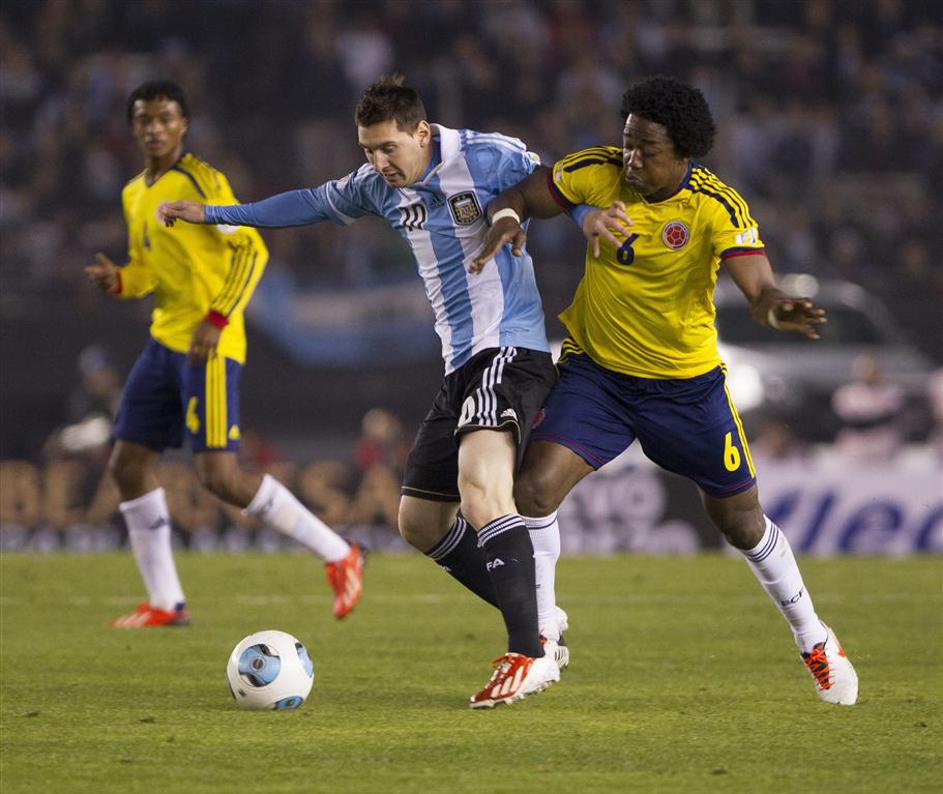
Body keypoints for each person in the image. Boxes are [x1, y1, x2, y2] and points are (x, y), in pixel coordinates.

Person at [158, 74, 565, 707]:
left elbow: (564, 186)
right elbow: (306, 204)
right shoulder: (377, 186)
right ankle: (539, 616)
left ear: (421, 133)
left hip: (509, 350)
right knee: (420, 522)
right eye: (368, 150)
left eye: (388, 148)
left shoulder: (488, 156)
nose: (378, 163)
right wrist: (214, 214)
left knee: (482, 489)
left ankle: (528, 652)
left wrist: (598, 220)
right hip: (461, 362)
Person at [473, 75, 858, 706]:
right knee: (533, 489)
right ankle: (540, 642)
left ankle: (814, 637)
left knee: (740, 522)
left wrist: (776, 307)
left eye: (646, 149)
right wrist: (509, 218)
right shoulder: (596, 171)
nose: (631, 159)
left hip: (686, 391)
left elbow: (758, 289)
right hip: (598, 378)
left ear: (683, 151)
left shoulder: (714, 206)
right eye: (628, 142)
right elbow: (521, 194)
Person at [85, 81, 364, 627]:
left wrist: (218, 317)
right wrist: (119, 280)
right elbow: (148, 270)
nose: (154, 128)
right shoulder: (133, 192)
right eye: (144, 119)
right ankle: (166, 601)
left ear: (184, 125)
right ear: (133, 126)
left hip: (210, 345)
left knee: (220, 477)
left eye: (165, 118)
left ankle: (340, 553)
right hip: (165, 340)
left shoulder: (203, 181)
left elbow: (250, 250)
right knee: (127, 464)